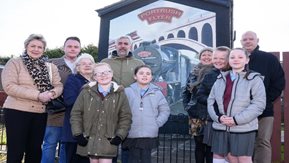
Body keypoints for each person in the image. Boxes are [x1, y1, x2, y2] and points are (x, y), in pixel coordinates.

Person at [1, 34, 63, 163]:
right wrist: (38, 96)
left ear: (44, 49)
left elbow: (58, 85)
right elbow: (9, 86)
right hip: (16, 111)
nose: (36, 49)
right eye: (33, 46)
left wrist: (51, 93)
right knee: (15, 151)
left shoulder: (50, 67)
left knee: (34, 151)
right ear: (26, 47)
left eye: (40, 47)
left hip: (39, 113)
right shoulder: (14, 62)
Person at [207, 48, 266, 163]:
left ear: (247, 60)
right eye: (232, 57)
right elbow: (211, 101)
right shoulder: (220, 79)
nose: (236, 60)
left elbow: (259, 104)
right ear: (228, 60)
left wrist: (236, 120)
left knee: (243, 158)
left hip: (243, 128)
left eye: (240, 57)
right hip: (220, 126)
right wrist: (219, 118)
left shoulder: (254, 79)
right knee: (227, 157)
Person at [70, 62, 132, 163]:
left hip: (109, 140)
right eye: (99, 73)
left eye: (106, 72)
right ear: (94, 76)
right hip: (89, 139)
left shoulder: (119, 94)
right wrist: (78, 133)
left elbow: (126, 117)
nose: (103, 75)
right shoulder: (86, 92)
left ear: (112, 73)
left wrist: (120, 135)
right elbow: (76, 114)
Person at [240, 31, 285, 163]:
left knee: (263, 142)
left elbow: (279, 83)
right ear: (241, 42)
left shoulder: (269, 59)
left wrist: (262, 101)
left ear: (257, 40)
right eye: (245, 39)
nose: (248, 41)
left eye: (251, 39)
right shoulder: (235, 58)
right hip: (239, 111)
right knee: (241, 142)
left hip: (264, 111)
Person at [101, 35, 144, 163]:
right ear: (115, 45)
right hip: (109, 109)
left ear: (130, 46)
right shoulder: (105, 62)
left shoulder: (139, 63)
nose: (123, 46)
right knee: (110, 144)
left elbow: (143, 84)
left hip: (130, 109)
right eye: (120, 43)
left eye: (126, 43)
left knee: (128, 145)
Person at [42, 36, 81, 163]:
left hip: (73, 112)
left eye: (76, 47)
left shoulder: (84, 64)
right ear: (63, 48)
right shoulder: (51, 63)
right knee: (50, 144)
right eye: (69, 46)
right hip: (54, 110)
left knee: (67, 146)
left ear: (80, 49)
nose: (72, 49)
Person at [123, 65, 170, 163]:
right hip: (132, 132)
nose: (145, 76)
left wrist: (157, 123)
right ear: (135, 76)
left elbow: (165, 110)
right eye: (141, 73)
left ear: (151, 77)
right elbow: (121, 110)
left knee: (146, 158)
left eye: (148, 73)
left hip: (149, 133)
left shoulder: (157, 92)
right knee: (132, 158)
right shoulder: (127, 91)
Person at [196, 46, 231, 163]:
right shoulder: (210, 75)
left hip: (235, 121)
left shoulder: (238, 74)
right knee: (215, 153)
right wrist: (215, 104)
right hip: (215, 119)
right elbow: (200, 95)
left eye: (222, 58)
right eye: (215, 58)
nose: (218, 61)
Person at [182, 47, 214, 163]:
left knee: (210, 147)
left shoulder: (217, 72)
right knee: (198, 146)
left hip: (211, 115)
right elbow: (185, 92)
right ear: (200, 58)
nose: (206, 57)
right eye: (203, 55)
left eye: (209, 55)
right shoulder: (193, 72)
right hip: (195, 114)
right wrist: (187, 106)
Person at [62, 53, 95, 163]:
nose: (87, 65)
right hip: (75, 132)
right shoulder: (73, 79)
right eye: (83, 63)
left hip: (94, 132)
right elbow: (69, 100)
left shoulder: (99, 82)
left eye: (90, 63)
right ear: (77, 67)